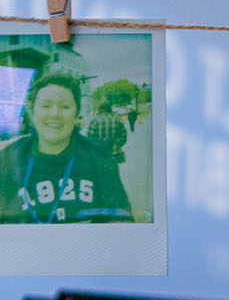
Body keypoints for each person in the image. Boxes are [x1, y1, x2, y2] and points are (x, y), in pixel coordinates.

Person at [0, 69, 134, 225]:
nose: (55, 114)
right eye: (45, 106)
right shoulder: (8, 160)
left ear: (77, 115)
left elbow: (121, 222)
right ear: (32, 113)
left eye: (64, 106)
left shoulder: (100, 159)